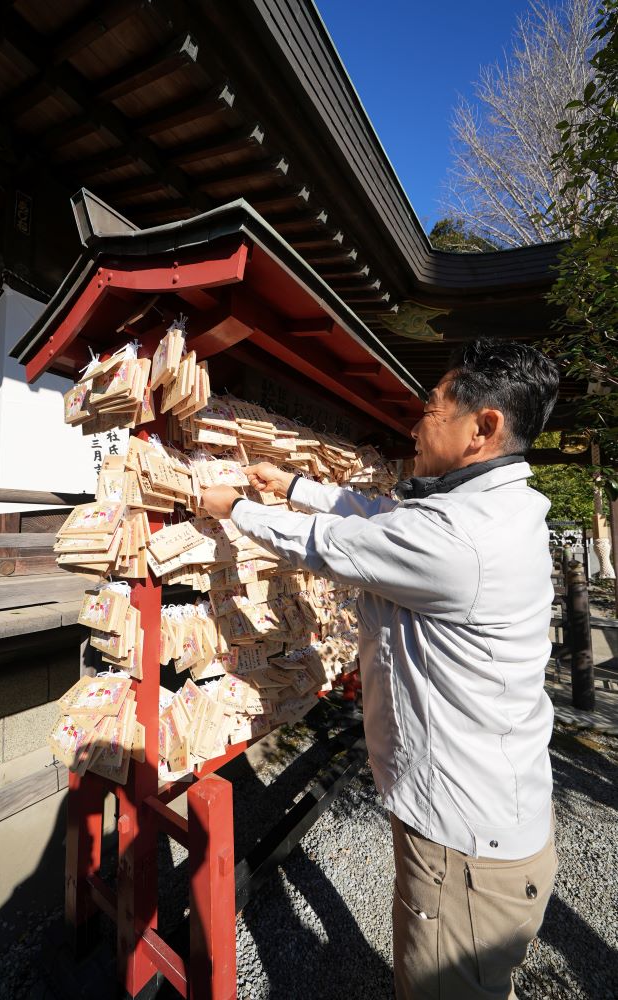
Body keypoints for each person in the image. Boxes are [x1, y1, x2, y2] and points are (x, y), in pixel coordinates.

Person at [202, 338, 560, 999]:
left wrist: (237, 510)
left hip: (464, 851)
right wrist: (292, 484)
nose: (416, 423)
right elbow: (384, 516)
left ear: (484, 427)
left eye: (431, 407)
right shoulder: (491, 510)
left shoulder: (462, 539)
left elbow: (334, 544)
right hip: (486, 823)